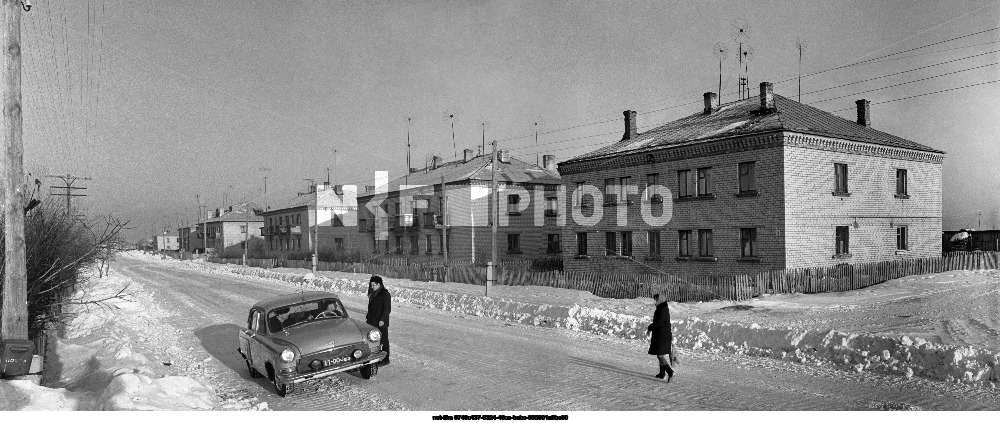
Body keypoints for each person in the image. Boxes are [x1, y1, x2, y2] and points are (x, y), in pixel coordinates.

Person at [645, 293, 675, 382]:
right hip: (661, 334)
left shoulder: (662, 309)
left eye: (656, 300)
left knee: (660, 355)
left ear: (660, 300)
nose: (654, 301)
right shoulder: (662, 308)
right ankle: (662, 374)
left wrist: (650, 328)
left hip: (662, 335)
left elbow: (659, 322)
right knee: (660, 353)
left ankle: (670, 372)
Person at [366, 274, 392, 365]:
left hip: (381, 322)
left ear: (379, 284)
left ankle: (385, 359)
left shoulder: (385, 294)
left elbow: (387, 309)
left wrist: (382, 320)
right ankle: (374, 357)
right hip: (372, 320)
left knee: (383, 340)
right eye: (371, 285)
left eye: (373, 285)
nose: (371, 287)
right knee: (372, 339)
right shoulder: (373, 293)